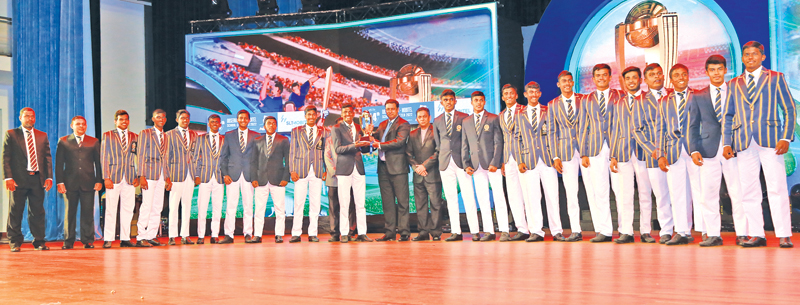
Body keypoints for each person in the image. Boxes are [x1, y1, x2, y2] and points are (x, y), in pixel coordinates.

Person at [722, 41, 795, 248]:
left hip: (772, 141)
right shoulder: (734, 84)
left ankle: (783, 234)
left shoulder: (775, 78)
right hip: (743, 142)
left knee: (777, 188)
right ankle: (756, 234)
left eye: (755, 54)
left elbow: (789, 109)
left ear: (763, 57)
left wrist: (786, 138)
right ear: (743, 58)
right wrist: (727, 143)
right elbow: (728, 116)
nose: (750, 57)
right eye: (747, 54)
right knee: (748, 189)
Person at [688, 55, 745, 247]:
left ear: (725, 70)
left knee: (738, 191)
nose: (716, 73)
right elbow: (692, 125)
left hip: (734, 147)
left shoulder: (736, 91)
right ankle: (713, 234)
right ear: (706, 72)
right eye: (712, 70)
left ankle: (743, 233)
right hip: (708, 149)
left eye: (719, 69)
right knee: (708, 194)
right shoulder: (698, 95)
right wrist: (693, 149)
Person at [656, 64, 701, 245]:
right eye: (676, 75)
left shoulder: (698, 96)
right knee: (677, 193)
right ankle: (682, 231)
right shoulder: (664, 101)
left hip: (695, 150)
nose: (681, 77)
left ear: (689, 76)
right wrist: (660, 153)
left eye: (684, 74)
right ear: (671, 79)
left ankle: (705, 230)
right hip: (673, 151)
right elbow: (660, 128)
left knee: (699, 191)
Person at [609, 67, 655, 244]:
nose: (630, 81)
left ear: (640, 80)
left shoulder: (649, 99)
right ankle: (626, 231)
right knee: (624, 194)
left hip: (644, 152)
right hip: (623, 153)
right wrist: (613, 154)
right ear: (623, 81)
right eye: (627, 78)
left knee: (645, 193)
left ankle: (645, 231)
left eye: (634, 78)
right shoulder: (619, 103)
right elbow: (615, 129)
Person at [516, 81, 564, 242]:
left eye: (536, 92)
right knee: (532, 197)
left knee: (552, 196)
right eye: (530, 92)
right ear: (525, 94)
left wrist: (556, 156)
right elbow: (517, 138)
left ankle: (557, 231)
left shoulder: (547, 110)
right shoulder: (519, 114)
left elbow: (554, 134)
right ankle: (536, 231)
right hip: (529, 160)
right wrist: (519, 160)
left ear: (540, 94)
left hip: (548, 159)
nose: (533, 95)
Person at [632, 63, 675, 244]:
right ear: (646, 80)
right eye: (652, 75)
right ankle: (666, 230)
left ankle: (684, 229)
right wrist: (655, 152)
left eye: (659, 73)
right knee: (662, 195)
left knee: (683, 194)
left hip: (678, 152)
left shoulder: (675, 94)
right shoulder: (640, 101)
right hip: (654, 156)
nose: (657, 77)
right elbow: (637, 130)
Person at [4, 107, 54, 252]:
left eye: (32, 116)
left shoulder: (42, 135)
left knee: (38, 212)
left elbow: (47, 158)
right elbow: (6, 158)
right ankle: (14, 242)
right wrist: (8, 177)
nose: (30, 119)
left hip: (37, 179)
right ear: (20, 118)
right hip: (18, 180)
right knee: (16, 211)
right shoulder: (12, 134)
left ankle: (39, 241)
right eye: (26, 116)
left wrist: (49, 177)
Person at [432, 89, 480, 242]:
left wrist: (468, 162)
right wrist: (442, 157)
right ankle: (455, 232)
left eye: (451, 100)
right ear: (441, 102)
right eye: (445, 100)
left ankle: (474, 231)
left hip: (462, 161)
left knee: (468, 196)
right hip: (445, 162)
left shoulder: (464, 118)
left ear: (455, 101)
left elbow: (470, 141)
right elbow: (438, 144)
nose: (448, 102)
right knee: (451, 198)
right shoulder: (437, 120)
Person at [462, 91, 509, 242]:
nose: (478, 103)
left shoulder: (494, 118)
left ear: (484, 102)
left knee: (499, 197)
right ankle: (489, 231)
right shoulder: (466, 121)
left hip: (492, 165)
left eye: (481, 100)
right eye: (475, 100)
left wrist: (495, 162)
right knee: (483, 199)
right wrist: (466, 164)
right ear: (471, 102)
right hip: (476, 166)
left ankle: (505, 230)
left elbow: (498, 142)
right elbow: (464, 145)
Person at [578, 64, 617, 242]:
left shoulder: (619, 96)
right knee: (600, 191)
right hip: (594, 149)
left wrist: (620, 148)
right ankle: (604, 230)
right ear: (593, 79)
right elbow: (582, 127)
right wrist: (583, 153)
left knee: (620, 190)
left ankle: (626, 231)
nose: (601, 78)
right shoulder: (586, 99)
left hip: (617, 147)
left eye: (604, 75)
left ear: (610, 77)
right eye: (598, 75)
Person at [547, 71, 586, 242]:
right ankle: (576, 230)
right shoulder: (552, 104)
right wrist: (555, 156)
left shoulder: (584, 100)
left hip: (586, 150)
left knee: (594, 190)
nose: (567, 83)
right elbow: (551, 132)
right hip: (565, 152)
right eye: (564, 81)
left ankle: (601, 229)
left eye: (570, 81)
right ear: (558, 84)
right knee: (571, 192)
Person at [55, 116, 103, 249]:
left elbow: (98, 164)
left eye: (83, 124)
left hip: (89, 182)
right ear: (72, 126)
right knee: (69, 213)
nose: (81, 126)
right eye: (78, 124)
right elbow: (59, 164)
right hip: (70, 183)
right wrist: (60, 182)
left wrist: (99, 180)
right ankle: (68, 241)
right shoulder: (64, 141)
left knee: (88, 213)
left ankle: (87, 240)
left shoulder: (93, 141)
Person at [371, 99, 411, 242]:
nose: (390, 111)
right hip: (383, 168)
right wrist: (369, 136)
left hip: (398, 168)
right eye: (387, 109)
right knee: (387, 202)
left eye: (392, 109)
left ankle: (404, 232)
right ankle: (389, 232)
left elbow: (399, 142)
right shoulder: (382, 124)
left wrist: (379, 144)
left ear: (398, 109)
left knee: (402, 202)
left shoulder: (403, 124)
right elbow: (374, 139)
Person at [332, 103, 373, 243]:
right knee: (344, 202)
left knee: (360, 203)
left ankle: (362, 232)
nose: (348, 114)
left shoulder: (358, 127)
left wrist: (368, 136)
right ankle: (344, 232)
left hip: (359, 167)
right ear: (342, 114)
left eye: (350, 112)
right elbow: (338, 149)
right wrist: (355, 145)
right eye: (345, 112)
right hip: (344, 168)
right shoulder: (336, 128)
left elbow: (365, 150)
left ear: (353, 113)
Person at [219, 110, 260, 244]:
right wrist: (225, 174)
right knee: (231, 205)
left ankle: (248, 233)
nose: (243, 120)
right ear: (237, 119)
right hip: (233, 175)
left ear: (249, 120)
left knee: (248, 206)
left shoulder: (256, 135)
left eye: (245, 118)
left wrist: (256, 176)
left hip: (249, 175)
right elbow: (224, 157)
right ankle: (228, 235)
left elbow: (258, 158)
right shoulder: (229, 135)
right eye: (240, 118)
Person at [101, 110, 139, 248]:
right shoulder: (108, 135)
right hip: (113, 177)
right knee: (111, 209)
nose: (124, 122)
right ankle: (108, 238)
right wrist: (106, 177)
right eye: (121, 119)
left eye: (126, 119)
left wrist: (138, 176)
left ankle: (125, 238)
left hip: (129, 177)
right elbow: (104, 157)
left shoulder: (135, 136)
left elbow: (138, 158)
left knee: (128, 209)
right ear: (115, 121)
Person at [498, 84, 530, 241]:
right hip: (508, 159)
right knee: (513, 195)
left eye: (512, 93)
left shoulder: (524, 110)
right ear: (503, 97)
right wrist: (503, 161)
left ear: (516, 95)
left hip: (523, 158)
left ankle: (534, 228)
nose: (509, 96)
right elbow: (503, 139)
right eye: (506, 94)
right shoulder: (501, 115)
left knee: (528, 194)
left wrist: (525, 157)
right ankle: (521, 228)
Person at [250, 116, 290, 243]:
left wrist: (285, 178)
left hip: (278, 180)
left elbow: (288, 161)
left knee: (279, 208)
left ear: (276, 125)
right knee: (259, 209)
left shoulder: (283, 140)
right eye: (269, 123)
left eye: (273, 123)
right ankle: (257, 235)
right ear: (264, 126)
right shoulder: (257, 140)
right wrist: (253, 178)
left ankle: (279, 234)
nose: (271, 125)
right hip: (261, 179)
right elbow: (253, 161)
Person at [136, 109, 173, 247]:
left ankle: (151, 235)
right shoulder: (145, 133)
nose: (161, 119)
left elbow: (167, 159)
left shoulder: (166, 136)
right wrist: (141, 176)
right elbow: (140, 155)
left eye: (163, 117)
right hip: (149, 174)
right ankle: (141, 236)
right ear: (153, 119)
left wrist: (168, 177)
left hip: (162, 175)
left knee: (157, 206)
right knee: (147, 205)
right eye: (158, 117)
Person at [289, 106, 326, 243]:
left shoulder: (323, 131)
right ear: (305, 116)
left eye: (313, 114)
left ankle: (313, 233)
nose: (311, 116)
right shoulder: (296, 131)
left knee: (315, 203)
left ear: (317, 116)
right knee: (299, 203)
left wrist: (326, 169)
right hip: (300, 171)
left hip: (317, 170)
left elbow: (326, 152)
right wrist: (292, 170)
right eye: (308, 114)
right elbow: (292, 151)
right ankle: (296, 233)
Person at [405, 107, 443, 241]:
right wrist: (416, 167)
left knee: (435, 205)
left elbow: (438, 152)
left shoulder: (435, 132)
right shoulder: (412, 134)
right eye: (419, 117)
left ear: (429, 117)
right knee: (420, 205)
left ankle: (436, 233)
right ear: (416, 119)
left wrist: (424, 166)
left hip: (432, 174)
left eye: (424, 116)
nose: (422, 119)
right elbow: (408, 153)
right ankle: (423, 232)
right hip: (418, 175)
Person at [165, 109, 198, 245]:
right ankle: (172, 236)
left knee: (187, 206)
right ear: (177, 119)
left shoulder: (194, 134)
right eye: (182, 118)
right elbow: (166, 157)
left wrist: (196, 174)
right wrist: (167, 177)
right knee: (173, 206)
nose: (185, 120)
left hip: (190, 175)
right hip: (175, 175)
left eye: (187, 118)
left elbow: (196, 156)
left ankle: (185, 235)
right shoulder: (169, 135)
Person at [324, 118, 357, 242]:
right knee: (334, 206)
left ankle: (350, 232)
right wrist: (336, 172)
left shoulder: (353, 140)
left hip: (349, 175)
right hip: (334, 178)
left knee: (350, 205)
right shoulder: (329, 140)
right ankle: (334, 232)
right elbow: (327, 157)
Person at [193, 114, 225, 244]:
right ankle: (201, 235)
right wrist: (196, 175)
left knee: (217, 207)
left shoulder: (224, 139)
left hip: (219, 177)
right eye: (212, 122)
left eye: (217, 122)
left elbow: (227, 158)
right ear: (208, 123)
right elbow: (195, 158)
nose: (215, 124)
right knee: (202, 207)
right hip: (204, 177)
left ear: (220, 124)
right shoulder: (200, 139)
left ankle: (214, 234)